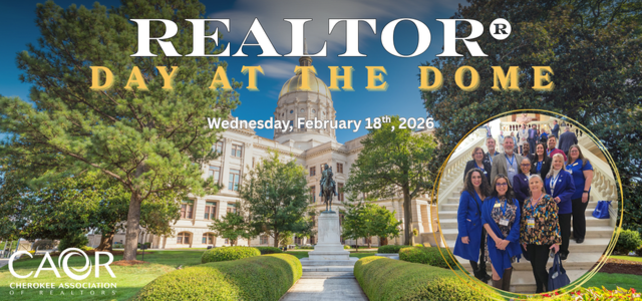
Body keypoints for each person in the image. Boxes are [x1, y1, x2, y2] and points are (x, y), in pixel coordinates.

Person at [520, 175, 561, 293]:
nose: (534, 185)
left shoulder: (548, 200)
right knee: (534, 266)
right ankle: (539, 288)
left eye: (536, 182)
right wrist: (523, 239)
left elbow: (555, 221)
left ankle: (551, 289)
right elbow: (524, 221)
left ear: (541, 184)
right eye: (531, 183)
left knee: (539, 268)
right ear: (529, 185)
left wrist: (557, 241)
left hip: (544, 240)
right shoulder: (527, 201)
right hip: (530, 240)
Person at [482, 175, 522, 290]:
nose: (501, 186)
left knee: (508, 268)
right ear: (495, 186)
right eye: (498, 184)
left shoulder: (514, 202)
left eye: (504, 183)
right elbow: (484, 220)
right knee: (497, 272)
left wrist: (507, 240)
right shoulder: (488, 201)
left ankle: (506, 293)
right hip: (493, 240)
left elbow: (517, 222)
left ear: (507, 185)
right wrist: (497, 239)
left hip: (509, 240)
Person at [454, 169, 492, 282]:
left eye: (479, 177)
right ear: (470, 179)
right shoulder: (466, 194)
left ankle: (483, 271)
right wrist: (463, 234)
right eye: (474, 177)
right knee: (473, 251)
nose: (476, 180)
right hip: (472, 228)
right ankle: (477, 273)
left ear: (482, 178)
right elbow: (461, 214)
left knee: (483, 250)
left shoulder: (486, 191)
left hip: (484, 227)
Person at [544, 154, 576, 260]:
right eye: (555, 161)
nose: (557, 163)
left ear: (562, 163)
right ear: (552, 162)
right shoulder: (548, 176)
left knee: (564, 230)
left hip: (564, 208)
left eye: (559, 161)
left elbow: (571, 189)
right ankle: (554, 248)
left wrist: (561, 197)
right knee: (553, 229)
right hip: (551, 208)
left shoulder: (567, 175)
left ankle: (564, 250)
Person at [566, 145, 594, 244]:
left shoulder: (584, 162)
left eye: (575, 150)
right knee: (568, 216)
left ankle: (580, 236)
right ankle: (569, 234)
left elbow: (589, 177)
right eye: (572, 151)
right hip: (569, 196)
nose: (573, 152)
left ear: (579, 152)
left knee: (578, 215)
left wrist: (585, 192)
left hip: (580, 194)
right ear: (569, 153)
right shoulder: (567, 164)